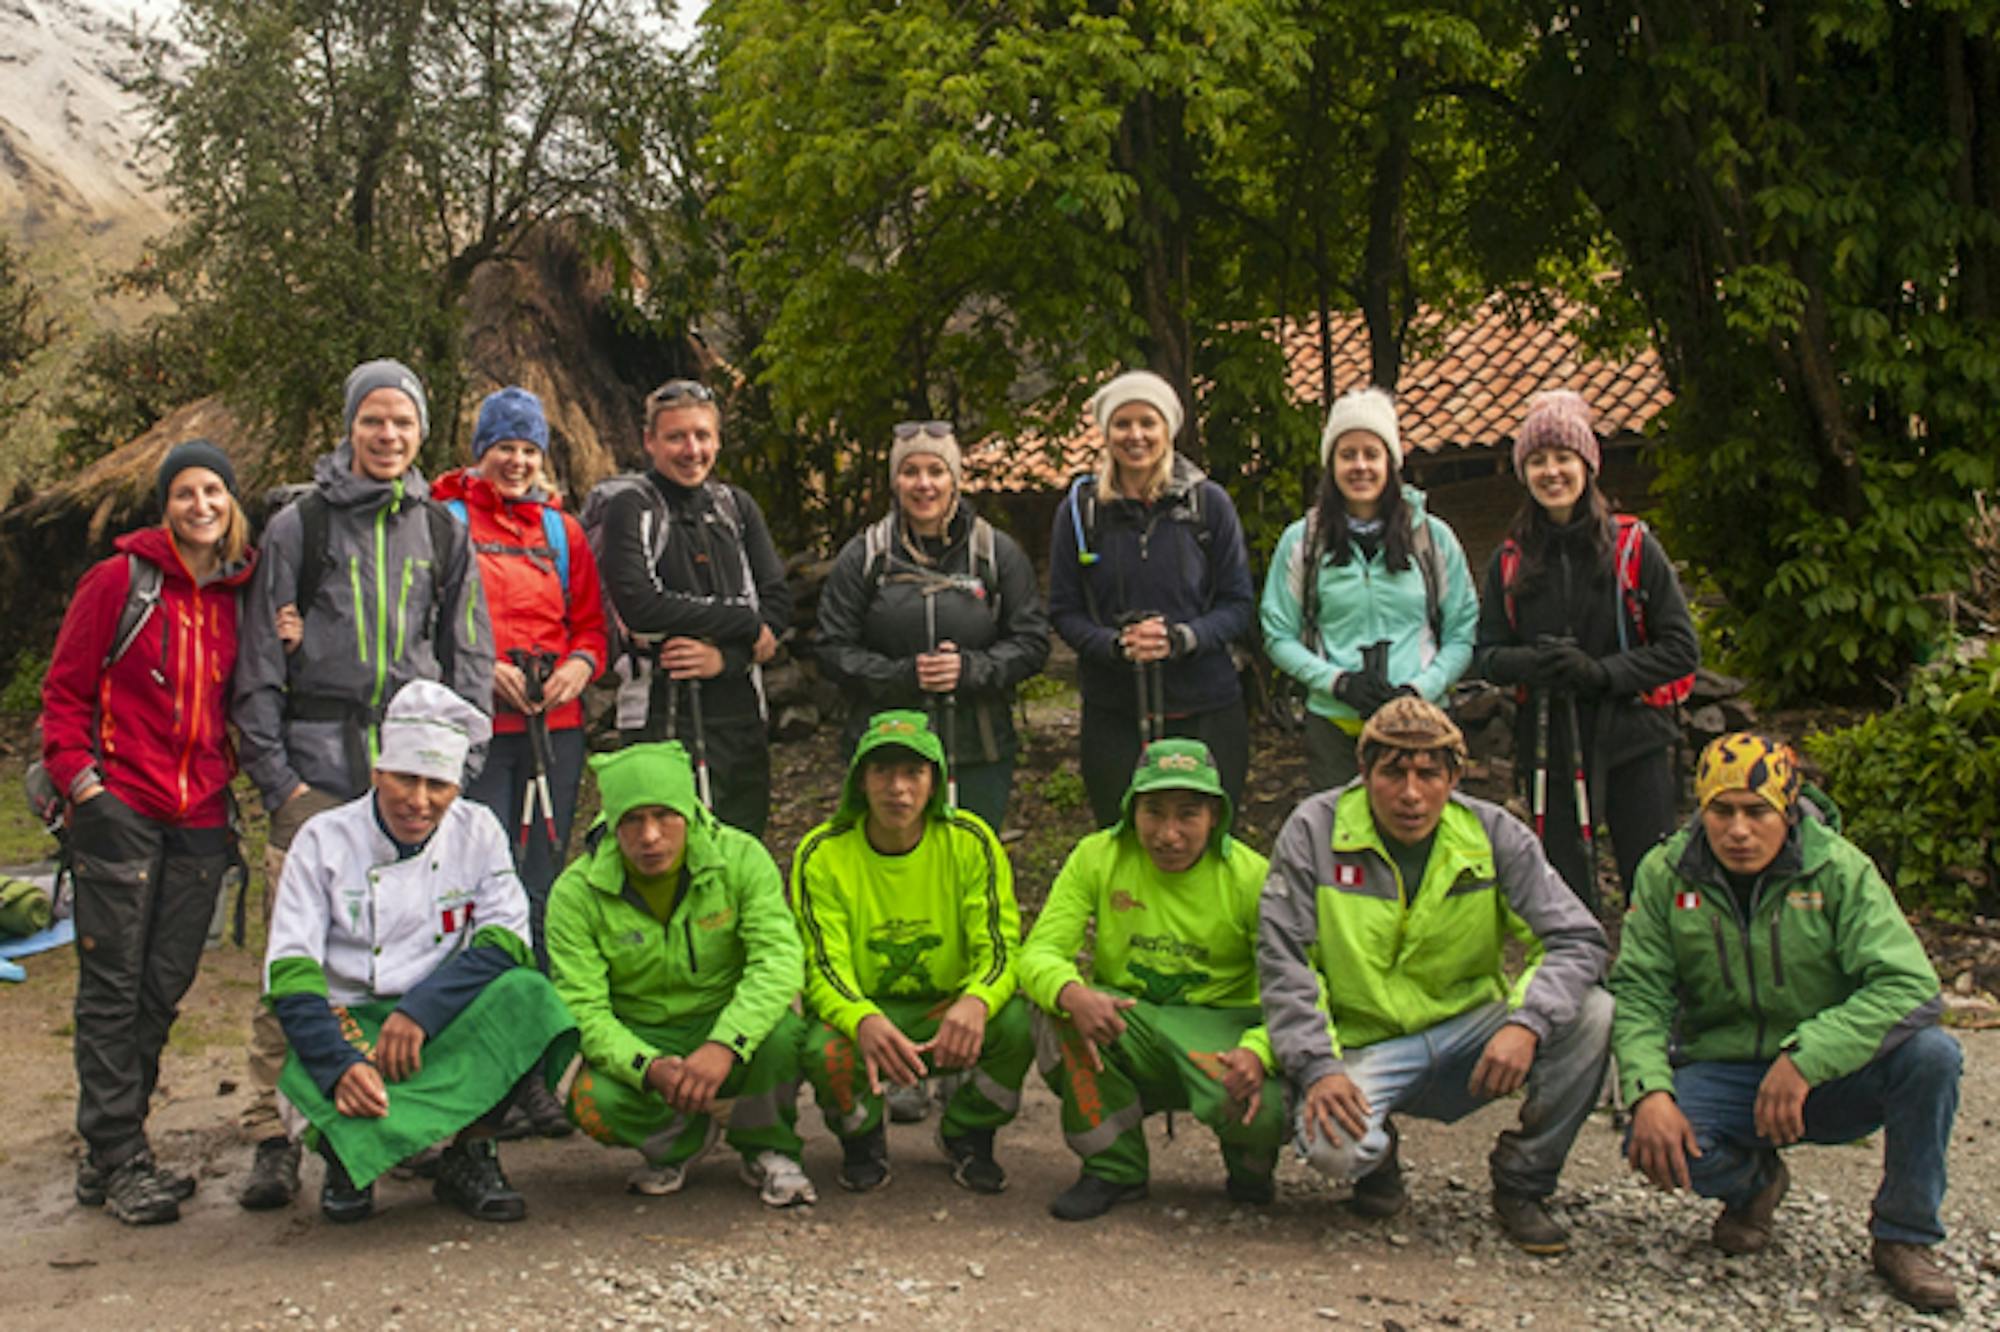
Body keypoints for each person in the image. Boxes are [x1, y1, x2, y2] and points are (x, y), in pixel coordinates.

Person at [233, 358, 495, 1210]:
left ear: (423, 432)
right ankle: (276, 1134)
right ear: (349, 427)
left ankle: (408, 1116)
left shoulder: (443, 532)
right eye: (373, 421)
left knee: (418, 947)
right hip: (319, 767)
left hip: (417, 781)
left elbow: (470, 658)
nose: (387, 436)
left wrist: (466, 767)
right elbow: (260, 669)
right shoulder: (299, 528)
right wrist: (280, 786)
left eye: (403, 423)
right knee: (297, 955)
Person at [1612, 733, 1962, 1311]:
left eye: (1757, 812)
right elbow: (1639, 991)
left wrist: (1806, 1056)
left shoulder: (1840, 871)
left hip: (1828, 1077)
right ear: (1701, 810)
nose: (1739, 831)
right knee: (1655, 1144)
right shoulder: (1666, 874)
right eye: (1721, 812)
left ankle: (1906, 1236)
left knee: (1933, 1056)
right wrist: (1648, 1090)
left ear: (1789, 810)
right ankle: (1755, 1185)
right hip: (1726, 1070)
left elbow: (1910, 986)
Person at [1258, 696, 1612, 1254]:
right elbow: (1284, 960)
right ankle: (1379, 1161)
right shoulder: (1314, 830)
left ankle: (1523, 1181)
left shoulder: (1493, 834)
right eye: (1392, 772)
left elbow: (1577, 938)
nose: (1411, 793)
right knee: (1334, 1151)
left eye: (1429, 773)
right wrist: (1318, 1067)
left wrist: (1527, 1023)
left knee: (1593, 1012)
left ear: (1455, 777)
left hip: (1471, 1030)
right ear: (1364, 772)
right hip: (1363, 1040)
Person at [262, 681, 575, 1224]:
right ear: (379, 773)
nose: (420, 801)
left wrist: (421, 1010)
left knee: (530, 995)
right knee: (329, 1071)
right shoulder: (323, 839)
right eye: (406, 779)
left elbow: (506, 937)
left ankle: (472, 1152)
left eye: (439, 785)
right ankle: (345, 1158)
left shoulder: (478, 830)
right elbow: (291, 968)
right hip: (351, 1014)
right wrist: (337, 1065)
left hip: (436, 1015)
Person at [41, 441, 256, 1224]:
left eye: (214, 491)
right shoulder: (118, 584)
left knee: (162, 986)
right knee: (112, 986)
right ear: (164, 504)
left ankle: (110, 1147)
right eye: (185, 493)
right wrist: (82, 784)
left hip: (200, 814)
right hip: (119, 810)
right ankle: (120, 1153)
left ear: (232, 502)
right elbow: (64, 694)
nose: (201, 506)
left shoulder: (243, 592)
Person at [432, 387, 605, 1137]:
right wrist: (482, 667)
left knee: (538, 888)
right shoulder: (448, 522)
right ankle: (478, 1069)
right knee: (475, 894)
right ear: (480, 451)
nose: (517, 461)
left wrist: (579, 668)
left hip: (553, 730)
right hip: (475, 732)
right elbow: (432, 620)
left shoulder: (563, 532)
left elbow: (593, 627)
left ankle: (532, 1071)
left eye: (529, 449)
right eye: (504, 447)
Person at [1019, 738, 1285, 1220]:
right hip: (1130, 1023)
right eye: (1153, 812)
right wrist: (1071, 991)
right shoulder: (1097, 856)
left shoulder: (1251, 876)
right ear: (1130, 811)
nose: (1168, 834)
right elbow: (1038, 951)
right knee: (1055, 1011)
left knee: (1266, 1109)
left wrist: (1261, 1049)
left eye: (1188, 815)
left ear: (1215, 816)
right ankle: (1112, 1166)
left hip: (1220, 1031)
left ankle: (1252, 1165)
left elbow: (1299, 983)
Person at [545, 742, 817, 1206]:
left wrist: (725, 1044)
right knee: (589, 1097)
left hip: (725, 1022)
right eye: (632, 820)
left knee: (785, 1030)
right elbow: (582, 1007)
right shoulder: (576, 893)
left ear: (691, 812)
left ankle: (767, 1144)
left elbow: (777, 962)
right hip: (643, 1032)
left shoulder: (741, 859)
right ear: (611, 824)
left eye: (664, 816)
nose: (650, 836)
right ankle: (679, 1141)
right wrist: (645, 1066)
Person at [1473, 389, 1698, 912]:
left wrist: (1602, 673)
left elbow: (1680, 648)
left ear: (1587, 464)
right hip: (1548, 735)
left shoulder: (1633, 545)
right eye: (1537, 460)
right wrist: (1531, 664)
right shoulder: (1510, 557)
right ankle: (1577, 978)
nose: (1551, 472)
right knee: (1563, 878)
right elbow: (1485, 653)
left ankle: (1656, 980)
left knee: (1650, 872)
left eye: (1562, 458)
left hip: (1633, 734)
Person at [791, 711, 1031, 1194]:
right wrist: (862, 1018)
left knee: (1016, 1024)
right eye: (882, 772)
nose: (897, 788)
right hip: (869, 1008)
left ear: (935, 781)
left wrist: (976, 1000)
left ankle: (969, 1131)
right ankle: (861, 1138)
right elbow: (821, 964)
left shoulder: (972, 841)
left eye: (913, 773)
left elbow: (1001, 949)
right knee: (824, 1048)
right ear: (861, 781)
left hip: (948, 1008)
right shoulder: (822, 852)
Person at [816, 420, 1050, 834]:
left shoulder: (995, 553)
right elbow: (832, 647)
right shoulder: (865, 557)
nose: (924, 484)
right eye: (910, 472)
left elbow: (1031, 642)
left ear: (954, 478)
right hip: (887, 749)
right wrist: (905, 675)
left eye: (936, 471)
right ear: (896, 481)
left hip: (978, 745)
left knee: (970, 864)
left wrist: (970, 669)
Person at [1047, 369, 1256, 827]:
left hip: (1205, 707)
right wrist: (1115, 645)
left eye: (1148, 422)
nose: (1135, 435)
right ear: (1105, 432)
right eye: (1122, 424)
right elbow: (1063, 609)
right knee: (1121, 837)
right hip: (1115, 710)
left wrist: (1184, 638)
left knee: (1207, 837)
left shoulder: (1208, 505)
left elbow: (1238, 604)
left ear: (1169, 429)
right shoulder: (1081, 512)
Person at [598, 379, 791, 836]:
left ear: (718, 440)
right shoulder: (631, 507)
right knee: (663, 855)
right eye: (676, 437)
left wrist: (727, 657)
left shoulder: (735, 508)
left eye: (702, 436)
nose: (692, 450)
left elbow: (777, 601)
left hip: (739, 714)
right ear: (650, 442)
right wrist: (744, 622)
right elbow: (643, 606)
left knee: (743, 850)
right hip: (659, 717)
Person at [1262, 387, 1478, 792]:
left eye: (1371, 454)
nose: (1360, 466)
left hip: (1422, 722)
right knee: (1342, 839)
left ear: (1391, 462)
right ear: (1331, 464)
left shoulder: (1432, 538)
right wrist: (1336, 681)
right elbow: (1277, 633)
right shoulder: (1302, 542)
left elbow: (1462, 629)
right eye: (1347, 455)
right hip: (1334, 724)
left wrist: (1419, 689)